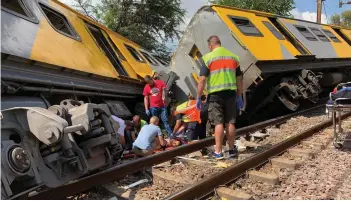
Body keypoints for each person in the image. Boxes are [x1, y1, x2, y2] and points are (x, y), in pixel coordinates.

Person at [196, 35, 244, 160]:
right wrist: (239, 95)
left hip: (215, 96)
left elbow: (202, 80)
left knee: (218, 123)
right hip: (231, 94)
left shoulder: (207, 58)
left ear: (210, 45)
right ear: (219, 43)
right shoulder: (233, 57)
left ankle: (218, 152)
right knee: (230, 122)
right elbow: (239, 78)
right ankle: (232, 150)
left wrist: (198, 97)